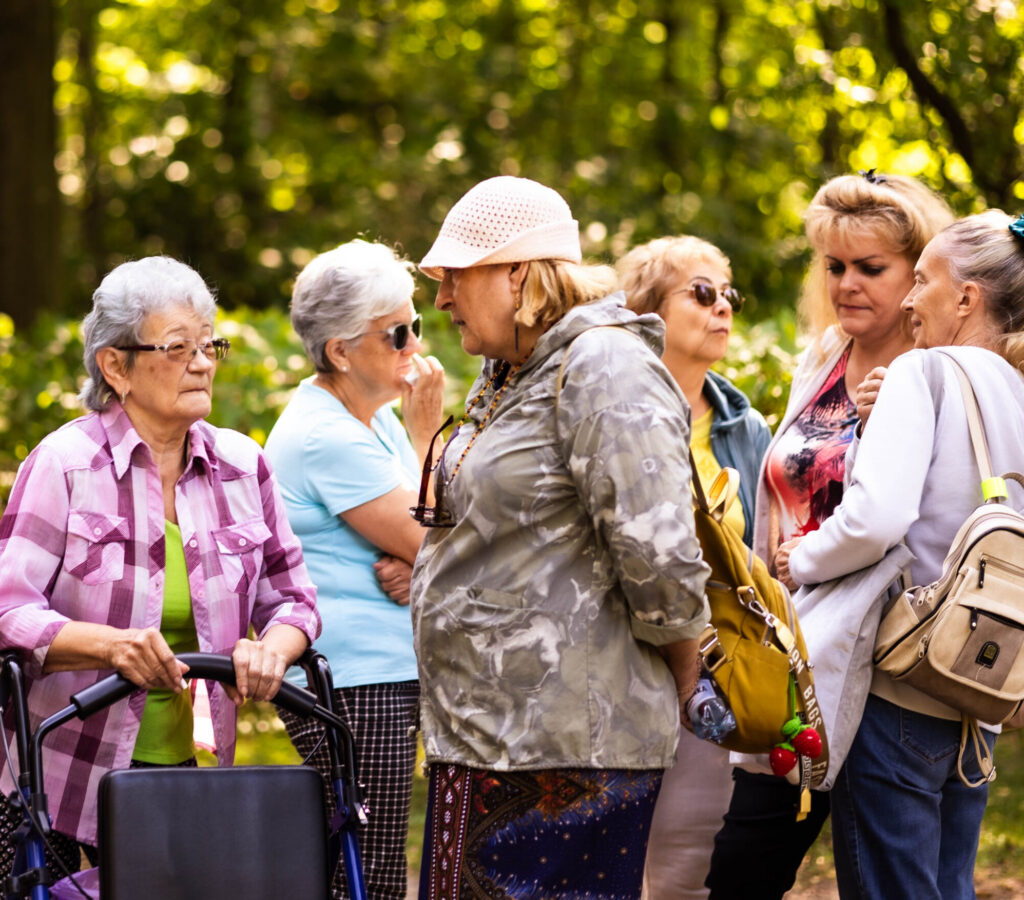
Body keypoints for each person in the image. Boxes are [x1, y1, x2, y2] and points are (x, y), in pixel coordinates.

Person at [410, 175, 711, 900]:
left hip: (562, 749)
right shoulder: (510, 372)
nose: (442, 296)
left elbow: (657, 547)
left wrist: (682, 662)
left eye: (455, 275)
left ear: (519, 273)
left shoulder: (604, 363)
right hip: (489, 737)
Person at [0, 256, 320, 876]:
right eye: (178, 348)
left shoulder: (242, 465)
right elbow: (8, 607)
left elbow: (293, 599)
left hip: (180, 772)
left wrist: (272, 649)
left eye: (209, 345)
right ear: (115, 366)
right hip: (58, 776)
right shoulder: (65, 465)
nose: (202, 362)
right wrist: (113, 647)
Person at [705, 172, 955, 899]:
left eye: (870, 268)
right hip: (798, 651)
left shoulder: (937, 370)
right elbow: (779, 486)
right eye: (834, 266)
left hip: (893, 659)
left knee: (891, 876)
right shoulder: (822, 357)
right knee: (744, 863)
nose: (847, 284)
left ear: (920, 273)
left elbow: (909, 515)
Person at [774, 211, 1024, 897]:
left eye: (923, 280)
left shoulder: (922, 371)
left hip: (902, 680)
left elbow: (878, 517)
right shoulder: (1014, 386)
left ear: (967, 297)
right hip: (979, 686)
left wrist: (804, 559)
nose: (912, 300)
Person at [264, 239, 445, 900]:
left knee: (374, 862)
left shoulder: (368, 419)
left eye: (416, 325)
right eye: (398, 333)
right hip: (355, 679)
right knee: (367, 872)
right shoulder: (327, 434)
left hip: (382, 669)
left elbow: (434, 537)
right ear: (340, 351)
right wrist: (428, 438)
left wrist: (418, 558)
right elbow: (440, 543)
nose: (415, 346)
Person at [617, 235, 770, 899]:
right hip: (622, 663)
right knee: (610, 863)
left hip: (714, 664)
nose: (722, 309)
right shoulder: (613, 413)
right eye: (702, 293)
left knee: (687, 870)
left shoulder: (747, 429)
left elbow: (759, 554)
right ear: (649, 313)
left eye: (727, 296)